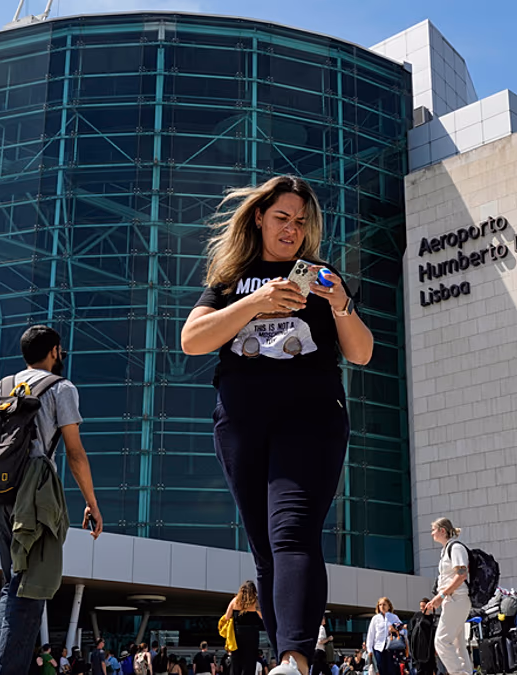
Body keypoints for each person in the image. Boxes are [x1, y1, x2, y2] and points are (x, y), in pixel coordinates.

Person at [182, 175, 373, 675]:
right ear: (260, 218)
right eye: (282, 218)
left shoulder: (321, 276)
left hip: (310, 418)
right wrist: (255, 302)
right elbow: (192, 340)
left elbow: (361, 352)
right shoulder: (230, 278)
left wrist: (341, 305)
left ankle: (294, 659)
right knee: (265, 549)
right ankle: (288, 659)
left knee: (292, 531)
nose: (292, 228)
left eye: (301, 221)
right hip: (241, 422)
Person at [0, 325, 103, 675]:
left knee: (16, 579)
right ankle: (3, 669)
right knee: (32, 586)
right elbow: (74, 452)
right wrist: (91, 501)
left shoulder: (0, 386)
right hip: (33, 491)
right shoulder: (61, 388)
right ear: (55, 351)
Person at [421, 519, 470, 675]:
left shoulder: (455, 548)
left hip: (457, 599)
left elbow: (461, 575)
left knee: (441, 641)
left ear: (442, 530)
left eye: (433, 529)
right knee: (458, 644)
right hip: (454, 600)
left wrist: (440, 596)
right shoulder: (447, 550)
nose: (432, 533)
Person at [226, 581, 265, 675]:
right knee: (249, 661)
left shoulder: (235, 601)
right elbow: (263, 617)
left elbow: (227, 617)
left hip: (237, 634)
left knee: (235, 661)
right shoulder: (255, 603)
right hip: (252, 634)